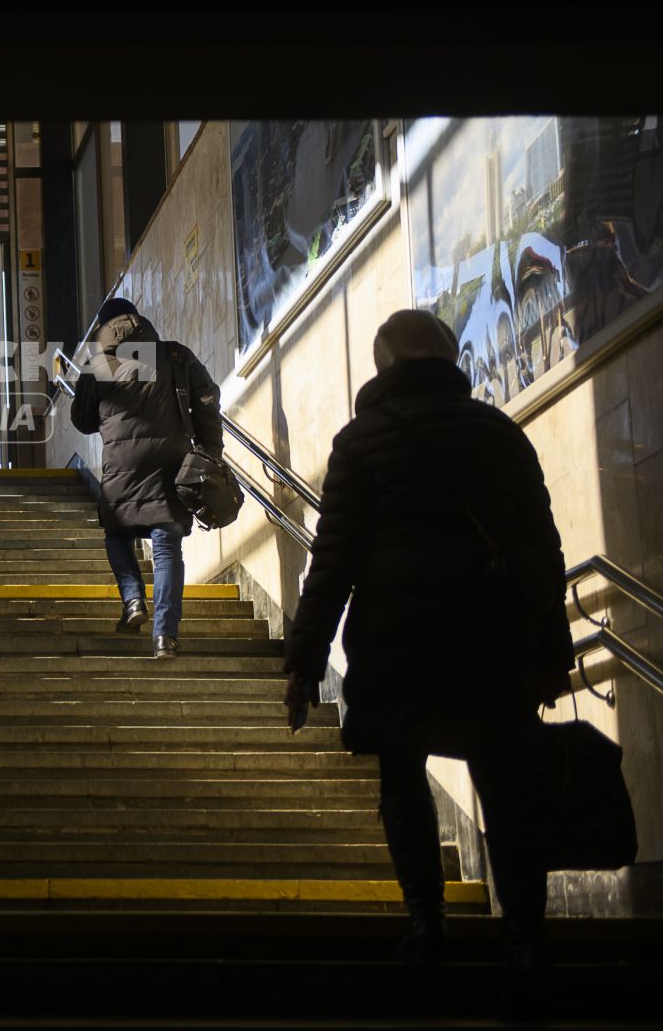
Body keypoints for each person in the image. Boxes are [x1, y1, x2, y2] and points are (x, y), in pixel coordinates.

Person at [281, 309, 571, 1018]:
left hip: (401, 640)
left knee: (401, 776)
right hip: (492, 640)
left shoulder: (363, 442)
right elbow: (544, 548)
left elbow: (334, 563)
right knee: (506, 793)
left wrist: (304, 661)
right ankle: (526, 949)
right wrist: (552, 652)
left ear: (384, 368)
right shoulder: (500, 434)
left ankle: (426, 927)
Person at [68, 296, 222, 659]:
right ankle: (164, 637)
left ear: (104, 329)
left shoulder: (100, 364)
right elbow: (206, 400)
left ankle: (134, 599)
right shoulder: (173, 355)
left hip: (122, 463)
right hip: (171, 461)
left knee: (117, 533)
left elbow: (82, 420)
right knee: (167, 546)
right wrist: (210, 452)